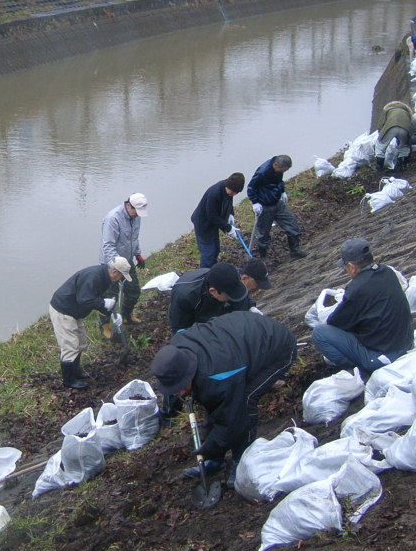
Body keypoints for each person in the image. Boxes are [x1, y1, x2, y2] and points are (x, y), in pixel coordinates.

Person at [150, 311, 297, 484]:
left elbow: (232, 419)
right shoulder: (178, 349)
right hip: (238, 342)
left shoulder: (220, 374)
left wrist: (210, 448)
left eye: (181, 387)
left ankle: (243, 462)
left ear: (189, 372)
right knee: (215, 396)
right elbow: (212, 400)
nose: (180, 392)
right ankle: (216, 461)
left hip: (278, 348)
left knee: (245, 401)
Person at [310, 239, 414, 377]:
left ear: (352, 267)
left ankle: (357, 371)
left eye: (346, 267)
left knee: (320, 333)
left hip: (382, 357)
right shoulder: (387, 271)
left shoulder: (356, 289)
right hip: (406, 343)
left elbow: (336, 323)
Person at [49, 257, 132, 389]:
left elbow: (94, 298)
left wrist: (112, 314)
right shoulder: (94, 276)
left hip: (74, 311)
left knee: (80, 343)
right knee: (70, 346)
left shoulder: (105, 277)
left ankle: (76, 371)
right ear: (115, 271)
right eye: (121, 276)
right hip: (63, 310)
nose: (121, 279)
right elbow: (84, 299)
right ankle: (69, 381)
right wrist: (103, 303)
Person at [99, 192, 148, 336]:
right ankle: (105, 325)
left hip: (127, 261)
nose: (138, 215)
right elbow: (107, 246)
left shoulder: (136, 216)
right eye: (136, 211)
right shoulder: (112, 219)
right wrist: (116, 266)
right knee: (110, 297)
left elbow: (134, 237)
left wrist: (138, 254)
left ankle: (126, 316)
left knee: (133, 291)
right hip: (111, 263)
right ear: (128, 206)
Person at [247, 155, 304, 259]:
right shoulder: (262, 172)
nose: (283, 172)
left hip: (278, 203)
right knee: (263, 234)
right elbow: (251, 187)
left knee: (291, 224)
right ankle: (263, 258)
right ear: (276, 164)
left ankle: (295, 251)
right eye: (282, 170)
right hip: (264, 206)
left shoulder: (278, 171)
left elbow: (279, 181)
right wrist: (255, 202)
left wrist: (282, 191)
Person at [167, 261, 250, 332]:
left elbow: (241, 302)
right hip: (196, 320)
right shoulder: (185, 297)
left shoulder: (230, 277)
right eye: (230, 295)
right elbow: (180, 330)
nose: (233, 297)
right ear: (213, 291)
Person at [190, 172, 245, 269]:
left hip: (213, 224)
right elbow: (212, 215)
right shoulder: (215, 193)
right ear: (228, 185)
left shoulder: (229, 190)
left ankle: (213, 269)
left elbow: (228, 203)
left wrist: (230, 214)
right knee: (208, 253)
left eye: (236, 193)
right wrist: (228, 228)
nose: (233, 194)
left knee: (215, 249)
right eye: (232, 192)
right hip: (203, 224)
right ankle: (204, 274)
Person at [373, 100, 416, 171]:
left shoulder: (388, 110)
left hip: (391, 126)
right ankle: (403, 165)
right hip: (405, 129)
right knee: (404, 146)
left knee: (381, 145)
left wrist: (381, 134)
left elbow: (380, 124)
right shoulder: (406, 112)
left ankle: (379, 166)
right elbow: (412, 124)